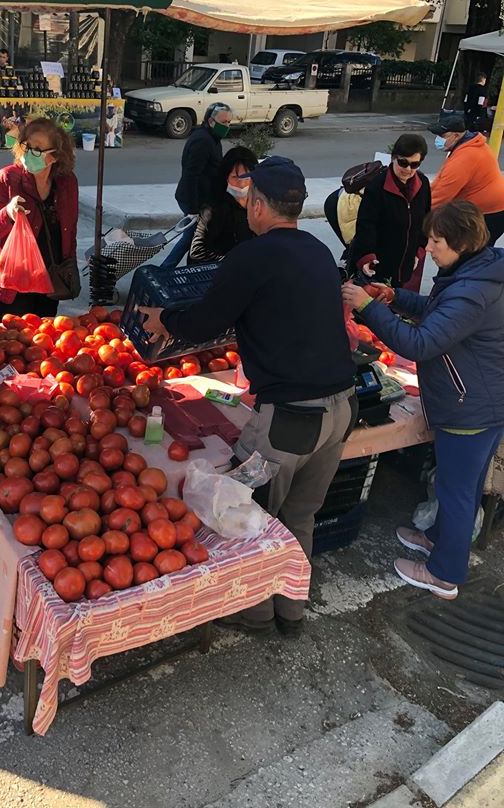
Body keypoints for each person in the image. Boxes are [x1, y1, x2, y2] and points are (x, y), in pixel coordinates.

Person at [141, 157, 357, 637]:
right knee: (300, 514)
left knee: (247, 512)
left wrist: (164, 322)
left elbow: (205, 321)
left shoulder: (253, 256)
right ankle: (291, 612)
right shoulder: (318, 251)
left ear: (258, 204)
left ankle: (254, 613)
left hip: (291, 420)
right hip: (342, 407)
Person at [342, 201, 504, 601]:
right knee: (457, 484)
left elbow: (421, 343)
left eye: (435, 241)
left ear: (461, 242)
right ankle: (436, 539)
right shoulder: (475, 271)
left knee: (457, 490)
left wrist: (365, 308)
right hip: (482, 396)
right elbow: (436, 307)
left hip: (471, 405)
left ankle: (444, 574)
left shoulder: (472, 292)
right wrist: (393, 296)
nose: (428, 249)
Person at [0, 117, 78, 321]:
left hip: (51, 278)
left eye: (37, 149)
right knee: (13, 341)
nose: (28, 153)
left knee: (44, 337)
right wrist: (8, 212)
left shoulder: (67, 183)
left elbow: (70, 228)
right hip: (14, 281)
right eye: (26, 146)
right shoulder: (7, 178)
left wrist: (68, 267)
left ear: (54, 156)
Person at [349, 134, 431, 287]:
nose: (408, 169)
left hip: (407, 262)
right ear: (394, 158)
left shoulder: (423, 184)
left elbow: (426, 219)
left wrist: (419, 250)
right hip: (380, 262)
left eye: (414, 165)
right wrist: (367, 256)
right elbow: (366, 224)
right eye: (403, 163)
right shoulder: (377, 186)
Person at [162, 103, 234, 268]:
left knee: (193, 237)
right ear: (211, 121)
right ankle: (166, 269)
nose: (227, 126)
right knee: (191, 237)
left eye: (229, 122)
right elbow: (191, 175)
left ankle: (180, 268)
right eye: (224, 122)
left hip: (202, 199)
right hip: (193, 199)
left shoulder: (214, 139)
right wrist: (194, 209)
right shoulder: (203, 141)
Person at [428, 114, 504, 245]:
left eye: (442, 136)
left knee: (466, 253)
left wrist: (415, 214)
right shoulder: (466, 146)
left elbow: (442, 194)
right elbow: (441, 179)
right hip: (488, 208)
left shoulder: (466, 157)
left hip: (489, 213)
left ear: (456, 136)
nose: (438, 139)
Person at [188, 145, 257, 263]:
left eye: (246, 178)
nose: (241, 184)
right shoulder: (212, 208)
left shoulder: (258, 203)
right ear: (226, 178)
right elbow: (196, 251)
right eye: (235, 178)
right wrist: (232, 261)